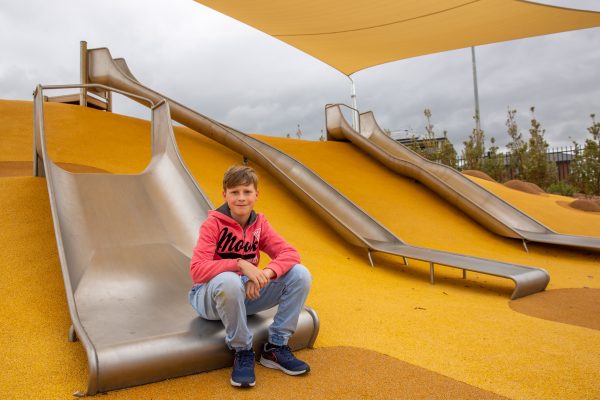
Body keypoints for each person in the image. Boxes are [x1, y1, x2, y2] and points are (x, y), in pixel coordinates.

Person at [189, 164, 312, 388]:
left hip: (243, 291)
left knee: (300, 274)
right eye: (235, 192)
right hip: (209, 297)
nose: (241, 198)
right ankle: (242, 351)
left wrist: (265, 273)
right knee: (230, 279)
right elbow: (197, 269)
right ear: (224, 194)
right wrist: (240, 264)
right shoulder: (213, 224)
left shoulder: (259, 224)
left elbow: (290, 253)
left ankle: (275, 347)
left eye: (247, 192)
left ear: (256, 195)